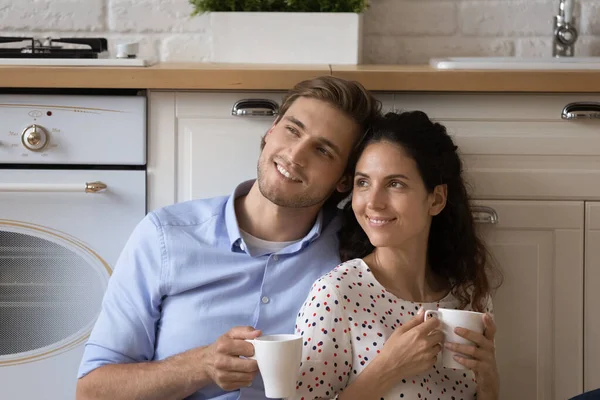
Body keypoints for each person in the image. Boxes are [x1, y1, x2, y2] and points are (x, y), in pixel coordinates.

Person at [75, 76, 382, 400]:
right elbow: (92, 391)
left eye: (322, 150)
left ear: (345, 181)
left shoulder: (357, 256)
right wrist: (200, 366)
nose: (295, 154)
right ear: (271, 129)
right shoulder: (164, 237)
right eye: (292, 130)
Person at [293, 110, 502, 400]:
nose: (373, 202)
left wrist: (490, 382)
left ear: (436, 199)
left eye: (395, 184)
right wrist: (388, 368)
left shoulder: (469, 295)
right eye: (363, 183)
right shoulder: (337, 294)